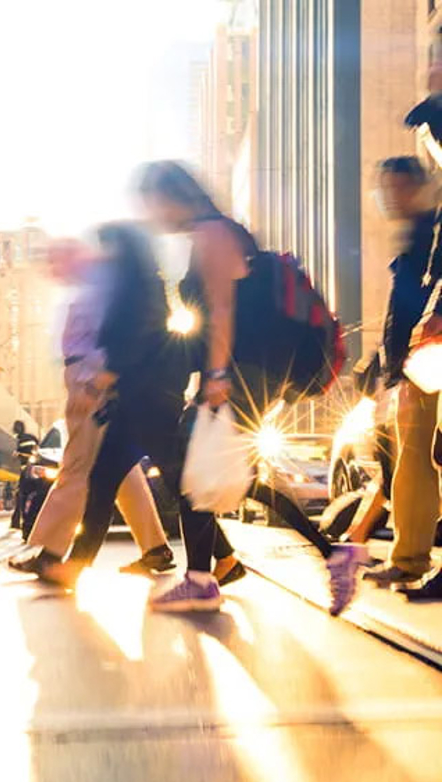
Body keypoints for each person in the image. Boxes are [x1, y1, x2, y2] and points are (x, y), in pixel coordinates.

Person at [134, 161, 365, 615]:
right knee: (236, 476)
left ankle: (201, 578)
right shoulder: (220, 232)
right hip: (248, 375)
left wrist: (215, 378)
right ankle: (334, 554)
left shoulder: (212, 235)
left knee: (189, 466)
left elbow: (221, 311)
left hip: (238, 376)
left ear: (172, 196)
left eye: (153, 203)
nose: (153, 214)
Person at [10, 236, 175, 580]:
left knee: (75, 467)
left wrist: (94, 381)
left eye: (56, 259)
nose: (53, 270)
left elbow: (112, 339)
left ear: (76, 255)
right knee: (118, 471)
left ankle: (47, 550)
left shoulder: (101, 285)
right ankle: (155, 548)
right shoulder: (95, 284)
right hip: (87, 377)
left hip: (89, 379)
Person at [360, 157, 442, 588]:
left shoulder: (432, 231)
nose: (391, 197)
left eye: (399, 187)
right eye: (385, 188)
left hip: (430, 360)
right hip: (414, 366)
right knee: (414, 464)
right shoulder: (414, 237)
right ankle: (408, 558)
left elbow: (421, 305)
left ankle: (411, 558)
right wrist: (386, 372)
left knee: (426, 462)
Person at [11, 419, 39, 530]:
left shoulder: (22, 439)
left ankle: (22, 522)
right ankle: (17, 521)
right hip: (36, 470)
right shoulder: (31, 437)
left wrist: (17, 454)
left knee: (22, 495)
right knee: (23, 495)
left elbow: (26, 455)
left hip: (26, 471)